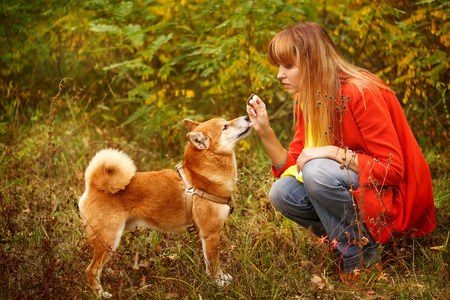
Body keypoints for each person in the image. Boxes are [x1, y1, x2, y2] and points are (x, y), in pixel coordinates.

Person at [247, 22, 435, 273]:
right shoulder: (308, 98)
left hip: (395, 198)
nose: (280, 74)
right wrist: (265, 131)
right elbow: (294, 166)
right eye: (279, 66)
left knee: (317, 171)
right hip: (359, 191)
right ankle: (358, 247)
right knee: (282, 192)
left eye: (288, 66)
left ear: (312, 62)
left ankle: (359, 257)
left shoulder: (360, 92)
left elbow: (393, 171)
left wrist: (332, 152)